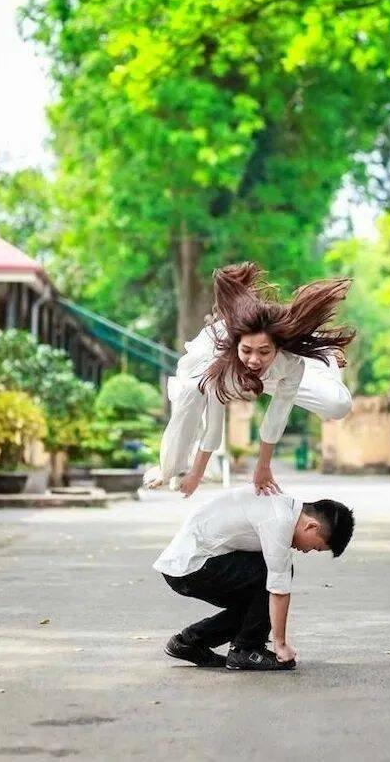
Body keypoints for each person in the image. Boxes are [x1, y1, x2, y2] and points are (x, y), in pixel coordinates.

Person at [145, 262, 355, 497]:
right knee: (191, 392)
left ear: (278, 349)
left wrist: (263, 467)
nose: (254, 360)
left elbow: (276, 416)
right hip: (221, 366)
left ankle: (326, 357)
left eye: (263, 352)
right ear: (237, 346)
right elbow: (213, 427)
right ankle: (168, 469)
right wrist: (196, 473)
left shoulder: (290, 364)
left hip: (275, 371)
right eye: (247, 351)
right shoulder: (217, 366)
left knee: (339, 406)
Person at [153, 486, 355, 670]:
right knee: (273, 575)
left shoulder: (283, 506)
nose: (307, 551)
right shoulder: (280, 520)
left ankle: (190, 642)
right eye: (315, 547)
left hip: (187, 562)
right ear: (312, 526)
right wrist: (280, 644)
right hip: (190, 566)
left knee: (258, 604)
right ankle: (247, 649)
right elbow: (278, 591)